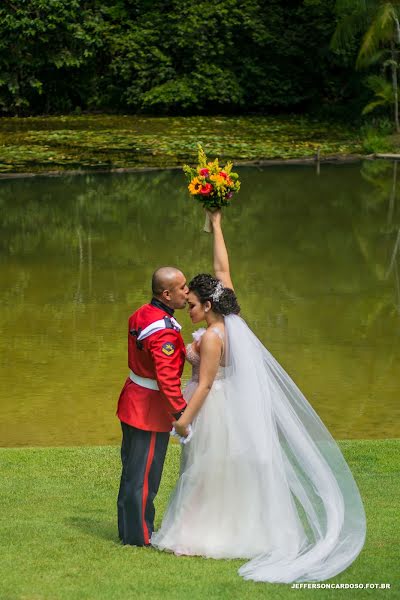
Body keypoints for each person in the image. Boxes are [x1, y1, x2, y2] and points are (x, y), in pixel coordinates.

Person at [151, 212, 366, 584]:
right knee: (218, 471)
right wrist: (215, 223)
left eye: (193, 305)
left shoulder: (215, 336)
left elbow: (203, 385)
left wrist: (185, 419)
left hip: (212, 405)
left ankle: (192, 534)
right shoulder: (230, 318)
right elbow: (223, 270)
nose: (189, 307)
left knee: (204, 471)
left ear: (209, 306)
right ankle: (221, 526)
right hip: (226, 402)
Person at [117, 267, 189, 546]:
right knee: (144, 478)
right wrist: (181, 414)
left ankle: (129, 530)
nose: (187, 292)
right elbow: (168, 381)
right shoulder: (165, 334)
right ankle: (139, 537)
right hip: (148, 410)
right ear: (166, 294)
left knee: (132, 473)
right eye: (182, 288)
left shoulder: (141, 313)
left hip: (132, 398)